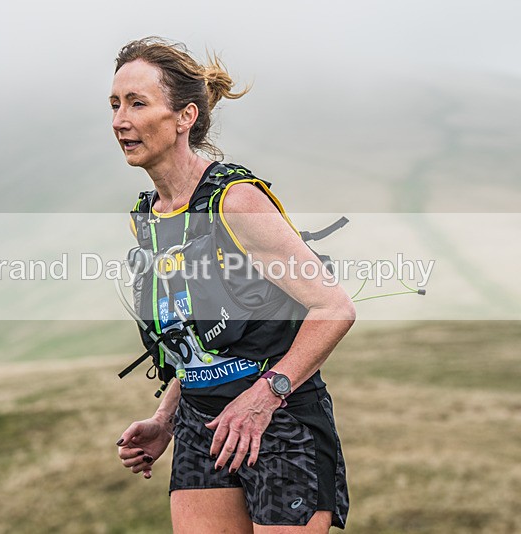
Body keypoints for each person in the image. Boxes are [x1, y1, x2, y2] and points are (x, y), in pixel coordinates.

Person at [111, 37, 356, 533]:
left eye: (138, 103)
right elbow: (195, 342)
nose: (120, 120)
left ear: (185, 117)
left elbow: (335, 307)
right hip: (202, 427)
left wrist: (263, 398)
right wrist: (164, 419)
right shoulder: (150, 217)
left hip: (279, 423)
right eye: (115, 104)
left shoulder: (235, 201)